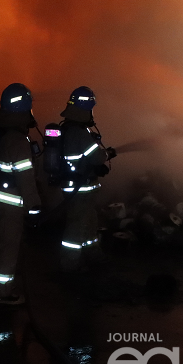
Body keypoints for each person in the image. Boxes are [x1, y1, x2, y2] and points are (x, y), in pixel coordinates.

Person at [0, 83, 41, 305]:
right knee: (8, 248)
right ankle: (2, 294)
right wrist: (34, 207)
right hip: (9, 206)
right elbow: (25, 178)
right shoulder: (17, 140)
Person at [56, 86, 113, 272]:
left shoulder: (67, 129)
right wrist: (107, 154)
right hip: (80, 188)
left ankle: (91, 253)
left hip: (78, 186)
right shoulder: (80, 133)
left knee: (89, 222)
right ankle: (70, 264)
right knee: (76, 227)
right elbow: (96, 156)